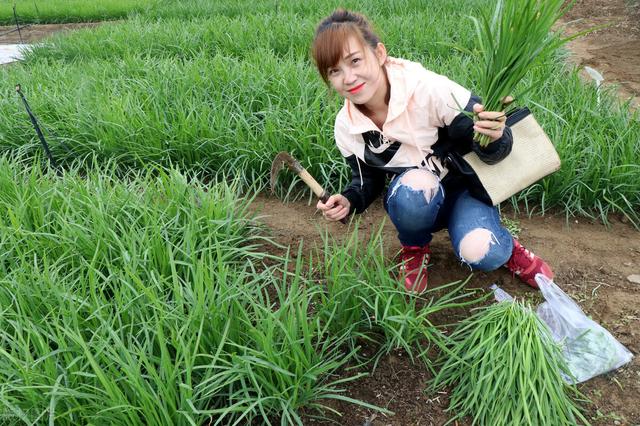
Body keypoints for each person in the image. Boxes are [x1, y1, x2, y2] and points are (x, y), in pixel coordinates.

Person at [312, 9, 554, 293]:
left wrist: (497, 135)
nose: (349, 78)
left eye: (355, 61)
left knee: (482, 253)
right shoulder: (347, 126)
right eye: (335, 71)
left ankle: (507, 248)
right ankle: (414, 247)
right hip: (416, 199)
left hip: (466, 192)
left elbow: (487, 148)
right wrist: (350, 200)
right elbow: (366, 180)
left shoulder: (429, 90)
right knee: (417, 183)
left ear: (378, 54)